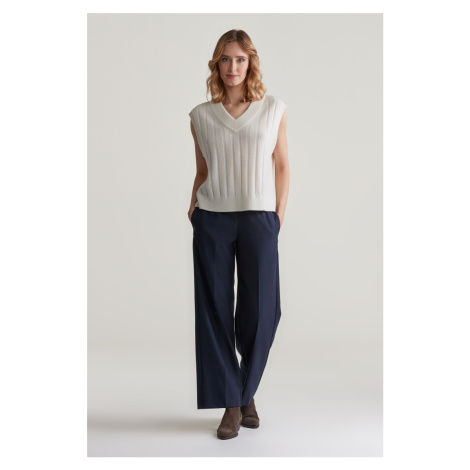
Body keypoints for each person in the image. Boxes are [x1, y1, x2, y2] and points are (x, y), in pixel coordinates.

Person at [188, 29, 289, 440]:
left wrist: (277, 217)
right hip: (212, 217)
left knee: (263, 311)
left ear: (251, 63)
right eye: (226, 59)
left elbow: (282, 166)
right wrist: (193, 207)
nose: (233, 67)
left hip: (259, 218)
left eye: (241, 59)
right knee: (214, 312)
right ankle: (234, 404)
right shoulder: (200, 116)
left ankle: (244, 390)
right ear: (217, 64)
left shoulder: (272, 109)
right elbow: (203, 170)